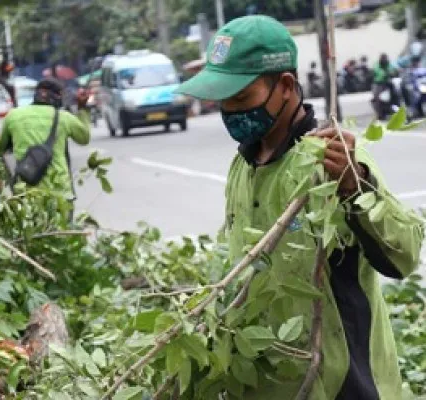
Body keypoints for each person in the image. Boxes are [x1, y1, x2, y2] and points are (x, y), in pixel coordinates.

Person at [177, 16, 423, 399]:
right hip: (269, 385)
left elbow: (403, 257)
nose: (230, 111)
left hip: (341, 383)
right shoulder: (242, 166)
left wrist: (356, 185)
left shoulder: (333, 160)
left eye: (241, 99)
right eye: (223, 101)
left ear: (286, 86)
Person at [0, 78, 90, 202]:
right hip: (59, 191)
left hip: (26, 191)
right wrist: (82, 108)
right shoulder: (64, 118)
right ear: (56, 97)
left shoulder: (13, 116)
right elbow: (84, 138)